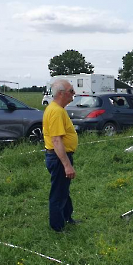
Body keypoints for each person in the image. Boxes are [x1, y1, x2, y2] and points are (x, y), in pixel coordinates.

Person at [43, 79, 78, 232]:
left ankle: (67, 217)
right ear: (61, 93)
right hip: (58, 158)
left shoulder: (58, 109)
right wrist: (67, 165)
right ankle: (57, 226)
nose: (74, 93)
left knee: (63, 189)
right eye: (71, 91)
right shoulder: (56, 111)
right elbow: (56, 140)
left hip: (59, 157)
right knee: (58, 192)